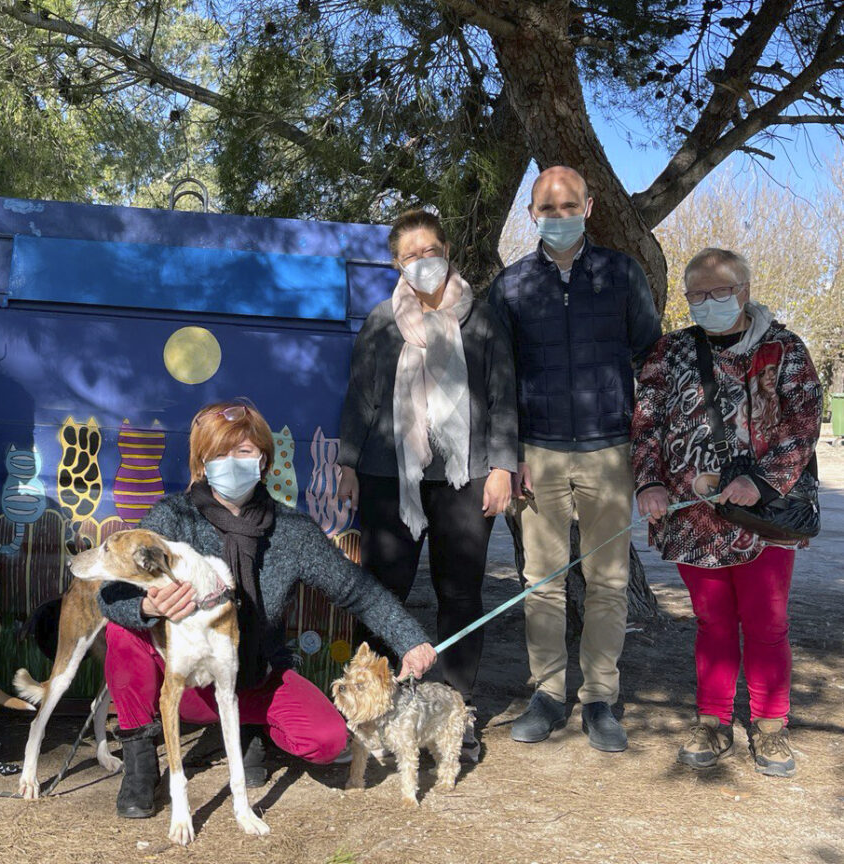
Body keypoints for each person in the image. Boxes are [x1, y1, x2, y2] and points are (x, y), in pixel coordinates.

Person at [98, 399, 438, 819]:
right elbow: (109, 595)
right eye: (221, 453)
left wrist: (411, 639)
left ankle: (248, 729)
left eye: (244, 452)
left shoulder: (292, 530)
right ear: (202, 462)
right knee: (122, 631)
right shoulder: (173, 517)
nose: (233, 462)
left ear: (263, 460)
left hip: (255, 673)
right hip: (184, 677)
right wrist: (146, 606)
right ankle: (140, 761)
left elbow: (357, 590)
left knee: (326, 740)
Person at [487, 166, 661, 752]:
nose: (557, 216)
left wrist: (644, 446)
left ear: (588, 208)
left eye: (568, 206)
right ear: (531, 214)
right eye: (546, 207)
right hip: (538, 456)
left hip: (609, 452)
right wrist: (507, 456)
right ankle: (548, 693)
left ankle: (600, 700)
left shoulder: (621, 273)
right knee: (542, 584)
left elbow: (649, 357)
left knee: (608, 583)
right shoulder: (510, 287)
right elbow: (499, 379)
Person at [336, 208, 517, 762]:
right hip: (388, 475)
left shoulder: (482, 319)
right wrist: (345, 464)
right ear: (396, 262)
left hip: (466, 476)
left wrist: (505, 466)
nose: (422, 262)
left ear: (448, 250)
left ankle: (454, 711)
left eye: (430, 250)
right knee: (382, 589)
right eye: (410, 255)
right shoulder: (380, 322)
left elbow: (504, 394)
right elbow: (360, 398)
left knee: (459, 594)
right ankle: (379, 705)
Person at [632, 248, 820, 777]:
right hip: (693, 518)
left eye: (720, 292)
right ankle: (713, 720)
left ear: (744, 289)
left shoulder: (783, 348)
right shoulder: (668, 352)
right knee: (712, 621)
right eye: (697, 295)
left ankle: (771, 725)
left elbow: (803, 422)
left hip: (762, 516)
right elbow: (645, 423)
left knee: (766, 622)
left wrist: (759, 481)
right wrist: (648, 481)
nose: (708, 302)